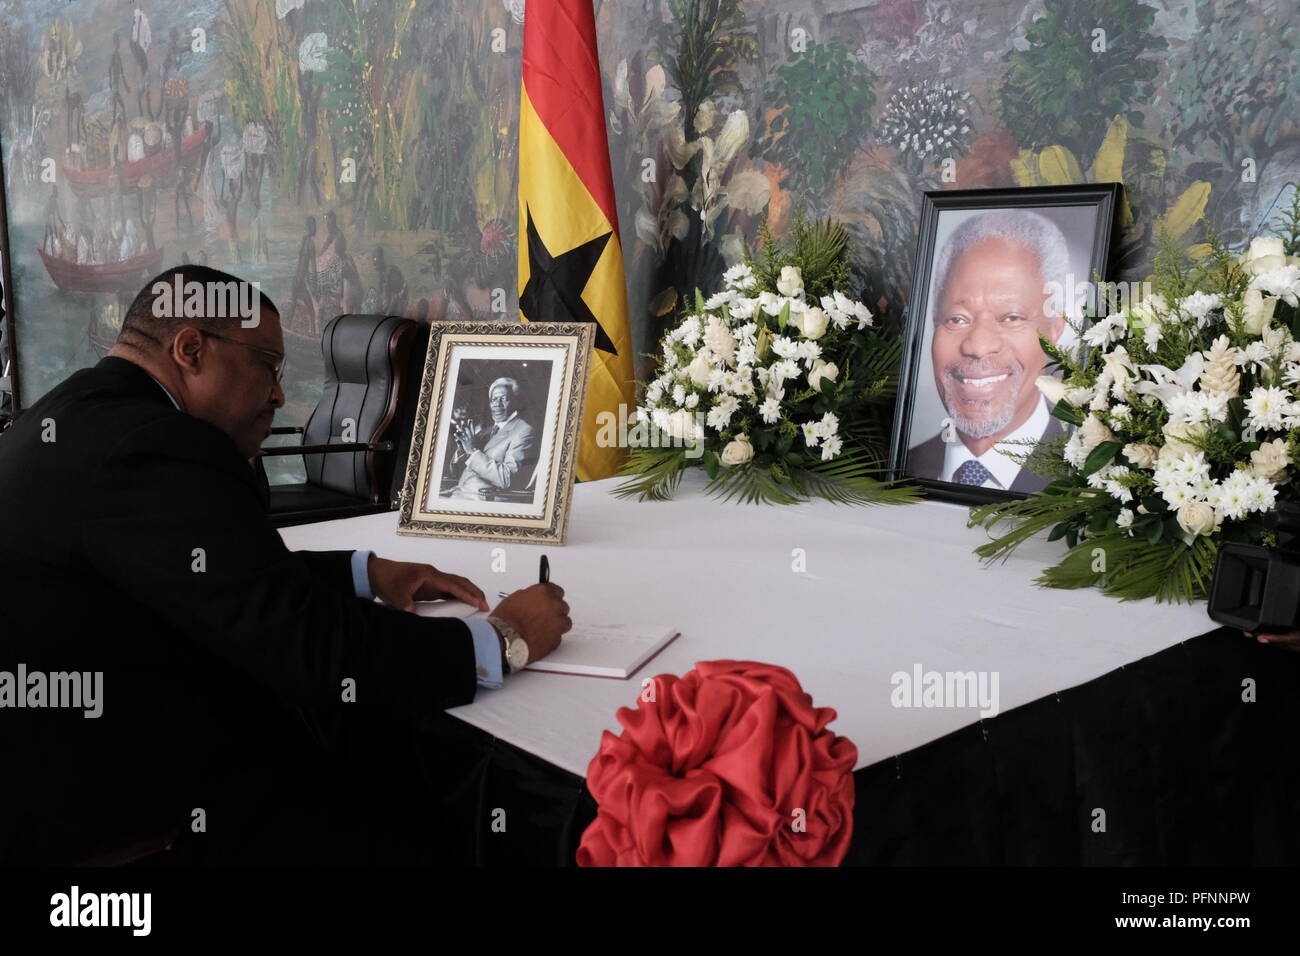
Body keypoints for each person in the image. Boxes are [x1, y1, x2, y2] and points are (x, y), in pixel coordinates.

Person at [0, 265, 571, 865]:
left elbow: (217, 577)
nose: (277, 393)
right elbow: (309, 646)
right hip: (100, 802)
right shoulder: (155, 443)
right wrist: (499, 640)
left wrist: (367, 572)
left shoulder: (78, 408)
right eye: (268, 367)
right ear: (190, 349)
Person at [908, 209, 1070, 492]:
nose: (978, 346)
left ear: (1055, 330)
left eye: (1011, 318)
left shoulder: (1090, 482)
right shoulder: (901, 468)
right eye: (957, 319)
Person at [445, 377, 537, 500]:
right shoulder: (485, 432)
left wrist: (472, 451)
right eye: (493, 399)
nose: (497, 404)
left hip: (481, 501)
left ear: (516, 402)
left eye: (503, 399)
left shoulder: (524, 430)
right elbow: (455, 472)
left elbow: (507, 479)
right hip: (457, 493)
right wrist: (462, 450)